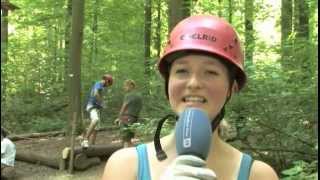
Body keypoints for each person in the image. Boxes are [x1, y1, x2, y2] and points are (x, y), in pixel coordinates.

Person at [101, 15, 278, 180]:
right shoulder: (124, 166)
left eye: (210, 72)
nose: (193, 83)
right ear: (168, 83)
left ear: (231, 88)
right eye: (182, 71)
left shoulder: (259, 175)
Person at [81, 74, 113, 148]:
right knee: (95, 120)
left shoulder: (101, 86)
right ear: (107, 80)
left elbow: (98, 96)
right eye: (109, 84)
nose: (107, 86)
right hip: (92, 106)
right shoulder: (99, 83)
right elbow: (95, 94)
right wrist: (102, 103)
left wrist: (102, 104)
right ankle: (85, 140)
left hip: (97, 108)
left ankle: (92, 146)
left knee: (97, 128)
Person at [114, 79, 143, 148]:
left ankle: (124, 155)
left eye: (126, 86)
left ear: (131, 86)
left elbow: (124, 107)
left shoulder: (128, 95)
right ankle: (131, 154)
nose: (124, 88)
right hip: (134, 119)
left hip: (126, 118)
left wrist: (119, 118)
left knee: (125, 140)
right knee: (129, 139)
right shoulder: (139, 96)